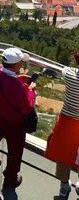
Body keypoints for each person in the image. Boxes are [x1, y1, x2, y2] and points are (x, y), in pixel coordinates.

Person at [0, 47, 36, 190]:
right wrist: (31, 91)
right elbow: (27, 107)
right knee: (15, 150)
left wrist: (18, 79)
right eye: (21, 62)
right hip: (15, 123)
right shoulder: (18, 88)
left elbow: (4, 76)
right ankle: (10, 178)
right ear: (17, 65)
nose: (22, 65)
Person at [44, 50, 79, 199]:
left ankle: (64, 187)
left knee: (63, 157)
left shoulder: (70, 75)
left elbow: (63, 70)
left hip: (67, 123)